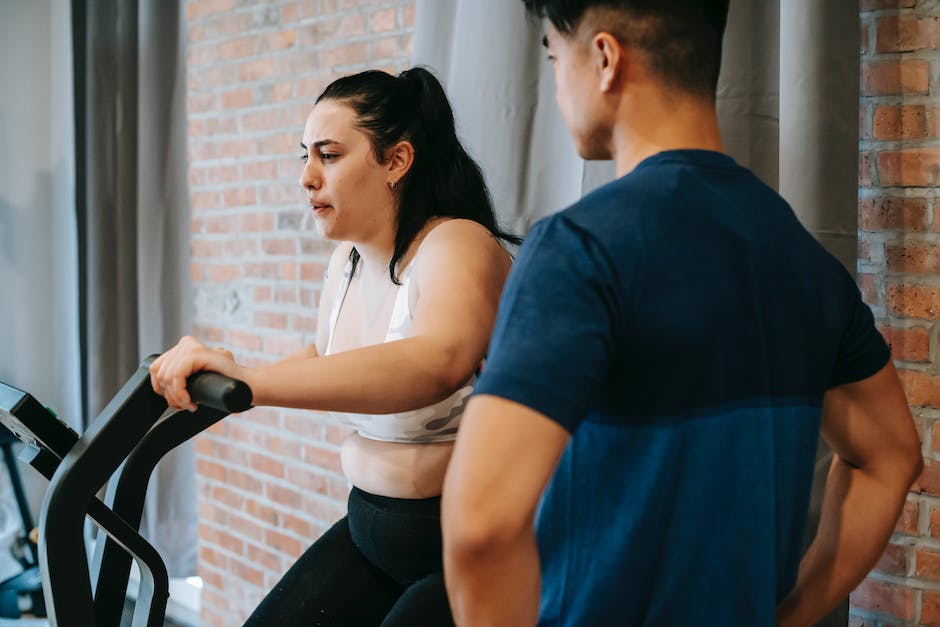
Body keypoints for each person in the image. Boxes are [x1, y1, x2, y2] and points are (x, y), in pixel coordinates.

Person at [441, 2, 924, 626]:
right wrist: (793, 616)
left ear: (605, 59)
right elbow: (893, 457)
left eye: (556, 57)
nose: (558, 82)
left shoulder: (580, 249)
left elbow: (480, 528)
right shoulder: (800, 257)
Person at [150, 67, 516, 626]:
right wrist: (231, 375)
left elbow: (436, 361)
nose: (307, 177)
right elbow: (327, 357)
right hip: (370, 527)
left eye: (329, 154)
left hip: (462, 546)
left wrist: (252, 384)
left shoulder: (456, 243)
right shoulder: (346, 263)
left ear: (396, 161)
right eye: (305, 155)